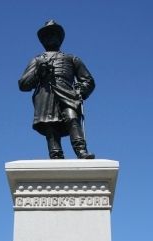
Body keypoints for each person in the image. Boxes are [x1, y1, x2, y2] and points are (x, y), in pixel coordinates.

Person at [19, 20, 96, 159]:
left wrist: (81, 91)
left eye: (53, 34)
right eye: (47, 35)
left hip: (68, 95)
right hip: (45, 96)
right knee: (50, 127)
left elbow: (88, 80)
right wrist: (38, 72)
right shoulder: (37, 60)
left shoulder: (72, 58)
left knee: (72, 118)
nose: (50, 38)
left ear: (59, 38)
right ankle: (55, 156)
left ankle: (81, 151)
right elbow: (23, 84)